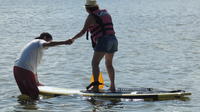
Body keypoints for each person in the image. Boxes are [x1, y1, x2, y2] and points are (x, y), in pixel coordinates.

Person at [71, 0, 118, 92]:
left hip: (104, 41)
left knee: (94, 64)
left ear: (88, 8)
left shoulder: (91, 17)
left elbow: (83, 31)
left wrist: (72, 39)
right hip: (113, 40)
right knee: (109, 64)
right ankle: (112, 87)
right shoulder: (106, 13)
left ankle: (95, 87)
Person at [13, 32, 72, 99]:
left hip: (17, 69)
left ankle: (24, 108)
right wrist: (64, 42)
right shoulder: (40, 41)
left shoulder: (34, 45)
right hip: (24, 70)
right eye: (50, 40)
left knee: (27, 95)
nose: (48, 46)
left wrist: (37, 82)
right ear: (45, 38)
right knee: (34, 96)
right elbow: (48, 44)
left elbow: (33, 68)